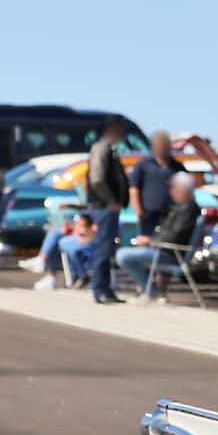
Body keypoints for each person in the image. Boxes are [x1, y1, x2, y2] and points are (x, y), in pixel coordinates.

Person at [115, 171, 198, 301]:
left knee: (123, 256)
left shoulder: (187, 210)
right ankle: (149, 290)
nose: (171, 192)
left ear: (183, 190)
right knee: (126, 254)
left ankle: (149, 291)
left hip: (170, 253)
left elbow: (175, 236)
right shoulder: (180, 208)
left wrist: (149, 241)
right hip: (164, 250)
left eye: (174, 188)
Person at [84, 117, 129, 303]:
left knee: (107, 248)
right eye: (120, 129)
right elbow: (97, 179)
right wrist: (111, 201)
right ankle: (100, 289)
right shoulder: (101, 148)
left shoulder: (110, 149)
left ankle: (105, 288)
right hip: (103, 207)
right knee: (103, 248)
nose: (122, 133)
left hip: (106, 207)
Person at [129, 130, 185, 238]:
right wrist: (138, 211)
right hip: (148, 216)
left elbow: (186, 190)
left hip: (171, 216)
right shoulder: (143, 165)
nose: (162, 147)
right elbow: (134, 189)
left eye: (165, 145)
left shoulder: (177, 167)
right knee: (146, 243)